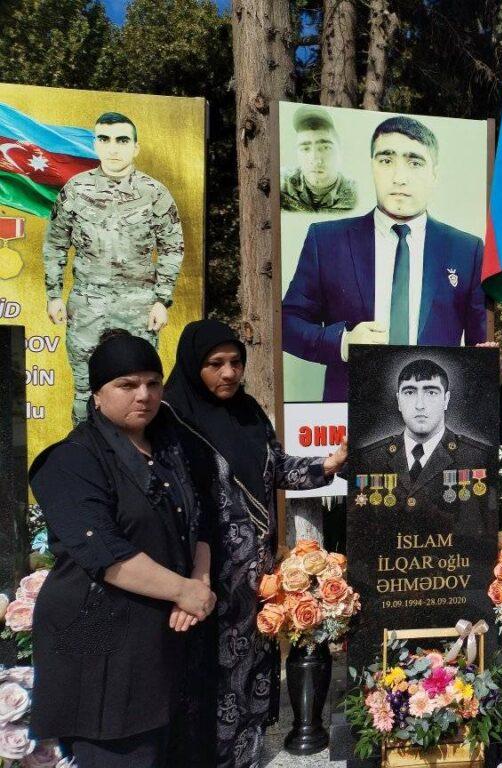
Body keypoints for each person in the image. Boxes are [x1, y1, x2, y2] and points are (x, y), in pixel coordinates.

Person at [162, 319, 347, 768]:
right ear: (193, 365)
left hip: (254, 578)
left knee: (251, 669)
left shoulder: (247, 412)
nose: (228, 373)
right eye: (215, 364)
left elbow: (276, 467)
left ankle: (245, 755)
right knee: (203, 676)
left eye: (235, 362)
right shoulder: (172, 420)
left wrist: (327, 465)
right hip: (201, 578)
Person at [28, 332, 214, 768]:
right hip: (101, 642)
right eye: (127, 385)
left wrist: (198, 583)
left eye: (152, 383)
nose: (144, 395)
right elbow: (104, 552)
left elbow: (200, 522)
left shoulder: (170, 449)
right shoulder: (71, 461)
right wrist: (183, 591)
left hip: (165, 636)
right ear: (97, 394)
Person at [281, 115, 488, 402]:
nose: (399, 177)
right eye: (386, 160)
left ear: (434, 174)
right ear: (372, 166)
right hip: (350, 411)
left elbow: (480, 348)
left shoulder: (466, 250)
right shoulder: (327, 241)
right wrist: (343, 343)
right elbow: (286, 323)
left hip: (433, 415)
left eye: (414, 162)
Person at [43, 111, 185, 425]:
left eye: (122, 140)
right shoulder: (76, 189)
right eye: (104, 139)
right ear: (95, 144)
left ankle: (139, 451)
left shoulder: (154, 193)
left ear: (135, 147)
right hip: (87, 305)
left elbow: (172, 247)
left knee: (140, 388)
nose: (113, 148)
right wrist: (53, 296)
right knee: (85, 389)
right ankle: (85, 450)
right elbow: (55, 244)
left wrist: (162, 300)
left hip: (138, 306)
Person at [351, 357, 492, 513]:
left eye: (431, 392)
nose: (420, 405)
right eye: (409, 392)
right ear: (398, 400)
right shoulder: (370, 458)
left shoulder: (477, 456)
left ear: (446, 400)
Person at [280, 106, 357, 213]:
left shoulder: (356, 195)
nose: (315, 159)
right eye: (305, 148)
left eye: (325, 148)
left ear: (339, 150)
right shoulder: (282, 184)